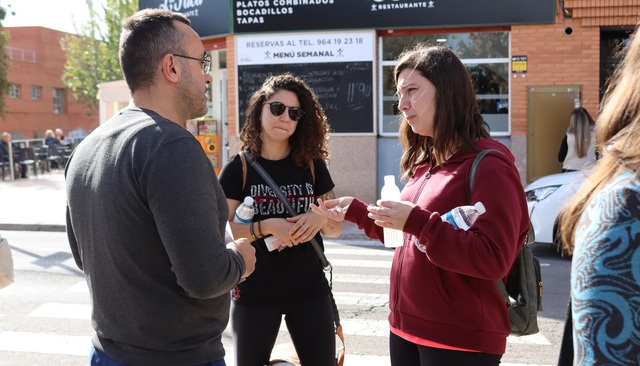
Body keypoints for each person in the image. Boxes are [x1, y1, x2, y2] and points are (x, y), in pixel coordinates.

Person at [311, 45, 529, 366]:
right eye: (399, 94)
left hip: (460, 339)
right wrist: (355, 211)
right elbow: (403, 236)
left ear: (448, 91)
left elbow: (494, 258)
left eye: (411, 90)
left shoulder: (490, 165)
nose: (402, 104)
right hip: (406, 329)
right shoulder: (425, 165)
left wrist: (421, 223)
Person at [65, 8, 256, 366]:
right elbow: (206, 277)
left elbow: (83, 255)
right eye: (202, 62)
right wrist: (241, 260)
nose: (208, 76)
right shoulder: (171, 145)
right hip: (176, 358)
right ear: (171, 67)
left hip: (107, 352)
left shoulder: (86, 148)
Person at [217, 73, 342, 366]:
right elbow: (221, 232)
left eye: (294, 113)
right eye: (276, 108)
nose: (285, 117)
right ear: (260, 109)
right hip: (254, 292)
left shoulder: (312, 166)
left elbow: (335, 228)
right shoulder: (239, 169)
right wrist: (267, 226)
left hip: (309, 289)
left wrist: (318, 217)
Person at [558, 22, 640, 365]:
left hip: (574, 178)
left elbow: (562, 155)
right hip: (592, 173)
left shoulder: (571, 130)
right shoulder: (626, 206)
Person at [557, 107, 596, 172]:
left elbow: (560, 158)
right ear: (587, 119)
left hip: (569, 170)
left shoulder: (568, 136)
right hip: (589, 171)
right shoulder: (595, 136)